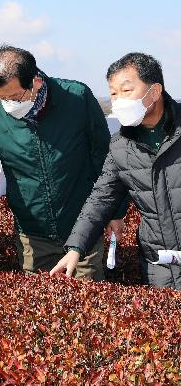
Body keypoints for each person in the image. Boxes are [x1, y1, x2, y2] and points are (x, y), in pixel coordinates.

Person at [0, 44, 124, 280]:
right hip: (32, 235)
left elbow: (105, 157)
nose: (8, 105)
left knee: (88, 304)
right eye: (1, 98)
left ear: (36, 83)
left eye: (14, 97)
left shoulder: (76, 98)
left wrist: (116, 211)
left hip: (82, 228)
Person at [52, 53, 181, 289]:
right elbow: (101, 198)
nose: (119, 100)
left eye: (126, 90)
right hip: (159, 265)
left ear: (154, 91)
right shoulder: (121, 145)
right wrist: (75, 248)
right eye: (113, 93)